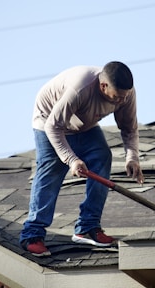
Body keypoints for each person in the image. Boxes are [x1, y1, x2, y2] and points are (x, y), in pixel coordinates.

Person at [19, 61, 144, 257]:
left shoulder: (126, 94)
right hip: (49, 122)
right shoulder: (80, 88)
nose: (121, 101)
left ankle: (87, 228)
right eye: (118, 97)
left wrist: (132, 157)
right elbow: (54, 126)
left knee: (102, 156)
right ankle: (32, 235)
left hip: (83, 125)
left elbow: (129, 128)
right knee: (51, 169)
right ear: (103, 86)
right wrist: (71, 159)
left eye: (125, 96)